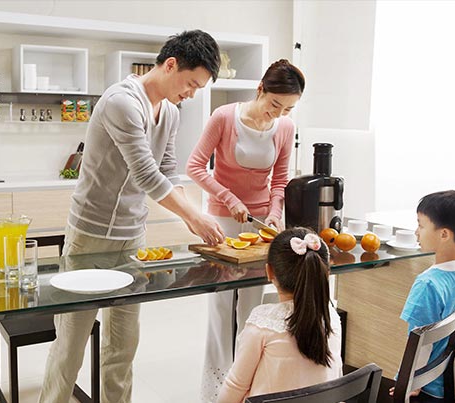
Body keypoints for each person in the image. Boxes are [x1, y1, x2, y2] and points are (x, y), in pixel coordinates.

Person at [39, 30, 224, 403]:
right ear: (170, 64)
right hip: (90, 237)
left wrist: (195, 215)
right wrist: (194, 218)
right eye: (191, 84)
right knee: (71, 346)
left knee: (122, 346)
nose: (191, 94)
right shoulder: (121, 102)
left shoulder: (169, 113)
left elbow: (168, 171)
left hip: (132, 239)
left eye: (198, 89)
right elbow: (146, 175)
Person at [186, 59, 305, 401]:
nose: (278, 114)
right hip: (223, 221)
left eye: (287, 109)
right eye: (274, 104)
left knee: (252, 307)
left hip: (259, 224)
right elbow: (195, 166)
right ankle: (216, 389)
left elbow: (279, 180)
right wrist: (228, 197)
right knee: (221, 306)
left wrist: (275, 214)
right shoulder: (224, 117)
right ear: (260, 90)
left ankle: (243, 386)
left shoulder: (285, 127)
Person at [216, 227, 343, 402]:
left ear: (269, 272)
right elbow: (335, 375)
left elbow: (235, 386)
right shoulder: (331, 318)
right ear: (326, 274)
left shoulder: (263, 322)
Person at [391, 190, 455, 401]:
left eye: (421, 225)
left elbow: (421, 343)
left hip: (432, 389)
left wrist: (411, 382)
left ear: (444, 234)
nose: (416, 232)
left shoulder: (428, 284)